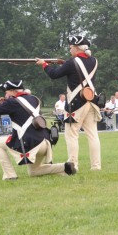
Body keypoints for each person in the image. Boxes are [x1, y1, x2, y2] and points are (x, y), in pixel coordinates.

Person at [0, 80, 75, 180]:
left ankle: (10, 175)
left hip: (31, 143)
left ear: (12, 91)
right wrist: (3, 102)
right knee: (34, 172)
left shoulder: (12, 102)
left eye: (6, 92)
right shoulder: (34, 99)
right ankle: (65, 167)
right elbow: (19, 109)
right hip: (44, 142)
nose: (5, 94)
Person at [36, 35, 102, 171]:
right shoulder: (94, 61)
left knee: (71, 135)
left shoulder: (71, 62)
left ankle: (73, 165)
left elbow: (53, 74)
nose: (70, 50)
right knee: (93, 135)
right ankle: (96, 166)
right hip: (91, 101)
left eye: (71, 47)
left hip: (76, 104)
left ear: (77, 48)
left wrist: (44, 64)